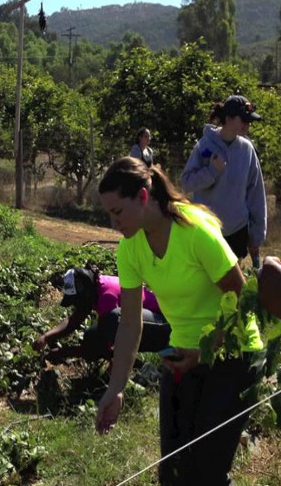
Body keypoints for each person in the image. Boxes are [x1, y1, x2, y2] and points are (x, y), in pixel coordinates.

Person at [96, 156, 264, 486]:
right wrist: (116, 390)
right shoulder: (130, 249)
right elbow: (130, 324)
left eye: (117, 212)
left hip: (234, 354)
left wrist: (203, 353)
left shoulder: (196, 232)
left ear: (143, 197)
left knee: (207, 473)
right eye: (108, 214)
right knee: (173, 473)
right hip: (183, 357)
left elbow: (245, 302)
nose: (113, 223)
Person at [181, 95, 266, 262]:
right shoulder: (204, 145)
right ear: (228, 119)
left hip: (237, 231)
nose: (248, 125)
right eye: (244, 120)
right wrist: (212, 171)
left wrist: (256, 236)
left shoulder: (247, 149)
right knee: (208, 284)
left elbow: (256, 193)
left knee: (234, 286)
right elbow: (186, 183)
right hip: (207, 231)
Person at [33, 266, 170, 362]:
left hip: (165, 325)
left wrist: (65, 352)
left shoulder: (107, 297)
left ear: (85, 294)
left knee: (111, 323)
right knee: (91, 336)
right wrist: (46, 337)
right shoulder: (95, 287)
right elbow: (74, 319)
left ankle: (126, 368)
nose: (76, 305)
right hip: (144, 322)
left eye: (77, 300)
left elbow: (104, 345)